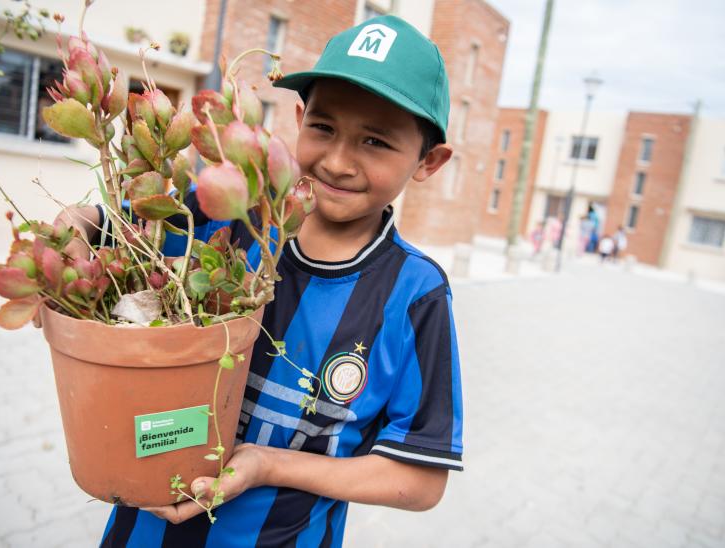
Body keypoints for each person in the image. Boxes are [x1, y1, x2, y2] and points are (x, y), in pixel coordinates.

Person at [57, 15, 463, 548]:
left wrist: (268, 466)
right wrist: (69, 238)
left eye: (375, 142)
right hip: (142, 529)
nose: (338, 161)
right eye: (324, 128)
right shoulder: (228, 215)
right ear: (299, 118)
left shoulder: (416, 293)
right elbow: (105, 227)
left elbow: (420, 480)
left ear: (428, 161)